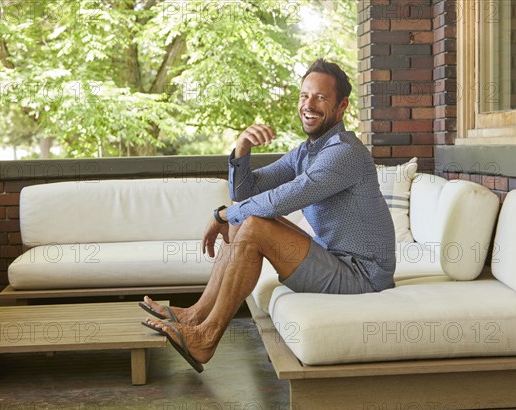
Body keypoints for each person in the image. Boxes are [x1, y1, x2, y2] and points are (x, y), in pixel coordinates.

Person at [140, 59, 395, 372]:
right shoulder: (307, 151)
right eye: (304, 96)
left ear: (342, 105)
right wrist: (241, 149)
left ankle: (205, 338)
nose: (309, 105)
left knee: (253, 224)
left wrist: (222, 215)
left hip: (362, 278)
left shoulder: (344, 153)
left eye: (320, 97)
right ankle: (194, 317)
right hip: (337, 260)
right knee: (245, 222)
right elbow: (247, 192)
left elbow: (278, 202)